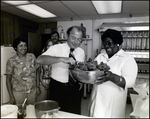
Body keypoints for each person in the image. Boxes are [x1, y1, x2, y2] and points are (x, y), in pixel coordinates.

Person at [88, 29, 138, 118]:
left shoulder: (127, 58)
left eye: (109, 43)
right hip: (96, 100)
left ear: (117, 43)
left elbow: (130, 81)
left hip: (113, 105)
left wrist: (112, 77)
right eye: (104, 43)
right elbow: (92, 72)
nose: (106, 46)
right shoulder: (100, 56)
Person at [36, 26, 85, 114]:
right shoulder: (56, 48)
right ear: (67, 36)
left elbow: (80, 69)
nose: (76, 41)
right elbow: (39, 59)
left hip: (75, 88)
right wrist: (62, 59)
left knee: (75, 113)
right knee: (57, 113)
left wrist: (81, 81)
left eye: (79, 39)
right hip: (58, 88)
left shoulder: (81, 52)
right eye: (73, 38)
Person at [6, 37, 37, 105]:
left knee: (31, 112)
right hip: (18, 93)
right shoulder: (11, 61)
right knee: (20, 113)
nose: (24, 47)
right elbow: (8, 80)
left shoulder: (32, 57)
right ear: (15, 47)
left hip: (32, 92)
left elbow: (37, 72)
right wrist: (11, 96)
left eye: (25, 45)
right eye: (21, 45)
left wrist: (37, 87)